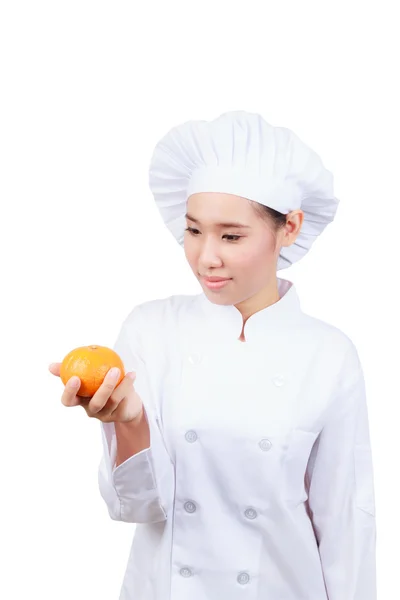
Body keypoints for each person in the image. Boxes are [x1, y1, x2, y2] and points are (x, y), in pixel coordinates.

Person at [50, 110, 377, 599]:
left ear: (289, 227)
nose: (206, 257)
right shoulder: (152, 328)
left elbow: (345, 523)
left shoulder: (329, 355)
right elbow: (136, 507)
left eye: (231, 235)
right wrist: (128, 419)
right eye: (194, 230)